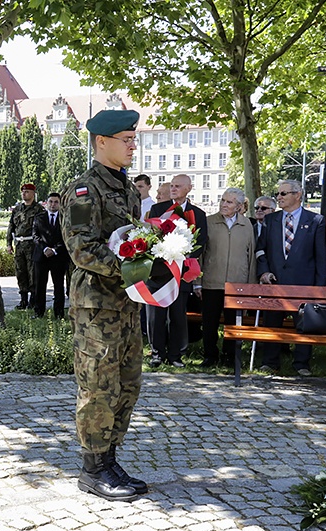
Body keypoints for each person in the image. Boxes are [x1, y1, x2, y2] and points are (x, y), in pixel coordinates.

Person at [59, 110, 147, 502]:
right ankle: (92, 468)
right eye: (126, 138)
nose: (132, 145)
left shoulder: (128, 190)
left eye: (133, 139)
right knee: (98, 387)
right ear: (101, 142)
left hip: (125, 306)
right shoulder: (82, 190)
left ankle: (109, 458)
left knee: (126, 384)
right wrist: (132, 268)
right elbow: (82, 249)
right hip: (96, 307)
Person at [257, 180, 326, 376]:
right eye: (278, 194)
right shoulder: (271, 220)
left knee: (304, 324)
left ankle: (302, 364)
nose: (278, 197)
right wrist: (263, 272)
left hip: (303, 283)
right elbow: (260, 249)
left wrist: (319, 287)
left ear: (297, 195)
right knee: (272, 322)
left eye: (283, 194)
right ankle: (270, 362)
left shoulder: (315, 221)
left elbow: (321, 255)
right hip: (275, 283)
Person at [146, 174, 207, 367]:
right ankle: (156, 353)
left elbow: (201, 242)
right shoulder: (157, 209)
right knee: (156, 316)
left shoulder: (198, 214)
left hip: (182, 272)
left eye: (178, 186)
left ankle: (175, 356)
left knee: (178, 315)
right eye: (171, 186)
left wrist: (182, 254)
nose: (173, 189)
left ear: (189, 188)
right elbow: (149, 239)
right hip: (159, 271)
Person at [198, 188, 257, 367]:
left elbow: (252, 256)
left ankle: (230, 357)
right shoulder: (209, 222)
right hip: (211, 281)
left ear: (239, 206)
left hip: (237, 283)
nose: (224, 204)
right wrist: (197, 282)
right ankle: (210, 355)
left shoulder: (247, 225)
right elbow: (200, 254)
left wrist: (250, 287)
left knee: (233, 323)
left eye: (229, 202)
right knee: (209, 323)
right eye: (223, 200)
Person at [32, 192, 70, 319]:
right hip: (41, 256)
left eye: (56, 202)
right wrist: (45, 248)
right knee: (39, 285)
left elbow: (67, 237)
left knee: (58, 286)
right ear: (46, 203)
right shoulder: (39, 217)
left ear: (60, 204)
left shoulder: (64, 218)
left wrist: (54, 250)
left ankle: (59, 314)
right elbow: (35, 236)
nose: (53, 204)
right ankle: (38, 313)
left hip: (58, 257)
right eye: (51, 202)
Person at [7, 183, 45, 309]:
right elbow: (11, 226)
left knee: (32, 273)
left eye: (27, 191)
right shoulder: (17, 209)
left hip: (32, 245)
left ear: (33, 193)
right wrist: (9, 244)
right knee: (20, 272)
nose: (24, 194)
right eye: (23, 192)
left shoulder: (39, 209)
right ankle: (23, 300)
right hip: (19, 244)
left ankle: (33, 300)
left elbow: (42, 228)